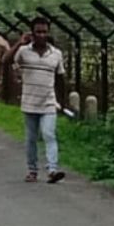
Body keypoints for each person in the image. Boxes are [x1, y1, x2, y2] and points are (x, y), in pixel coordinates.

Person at [8, 17, 67, 183]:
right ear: (32, 33)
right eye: (38, 31)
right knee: (31, 138)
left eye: (44, 32)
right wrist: (19, 43)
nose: (42, 35)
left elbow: (60, 79)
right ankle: (32, 170)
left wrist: (61, 102)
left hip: (48, 102)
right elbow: (6, 60)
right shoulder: (24, 51)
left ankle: (52, 169)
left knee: (49, 134)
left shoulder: (56, 54)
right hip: (29, 103)